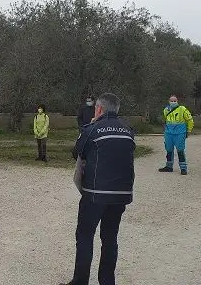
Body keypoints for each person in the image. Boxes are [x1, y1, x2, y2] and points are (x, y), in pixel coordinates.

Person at [60, 93, 135, 285]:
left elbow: (77, 152)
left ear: (99, 109)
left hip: (95, 193)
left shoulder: (92, 129)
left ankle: (80, 281)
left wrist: (91, 126)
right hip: (121, 194)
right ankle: (107, 281)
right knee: (110, 238)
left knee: (85, 236)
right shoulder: (128, 130)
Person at [158, 95, 194, 175]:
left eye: (175, 101)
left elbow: (190, 120)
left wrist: (188, 130)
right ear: (168, 101)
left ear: (177, 101)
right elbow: (166, 120)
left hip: (180, 133)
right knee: (169, 149)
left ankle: (183, 168)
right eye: (172, 101)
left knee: (180, 150)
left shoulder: (182, 109)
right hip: (169, 133)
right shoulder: (166, 110)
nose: (173, 102)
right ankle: (169, 166)